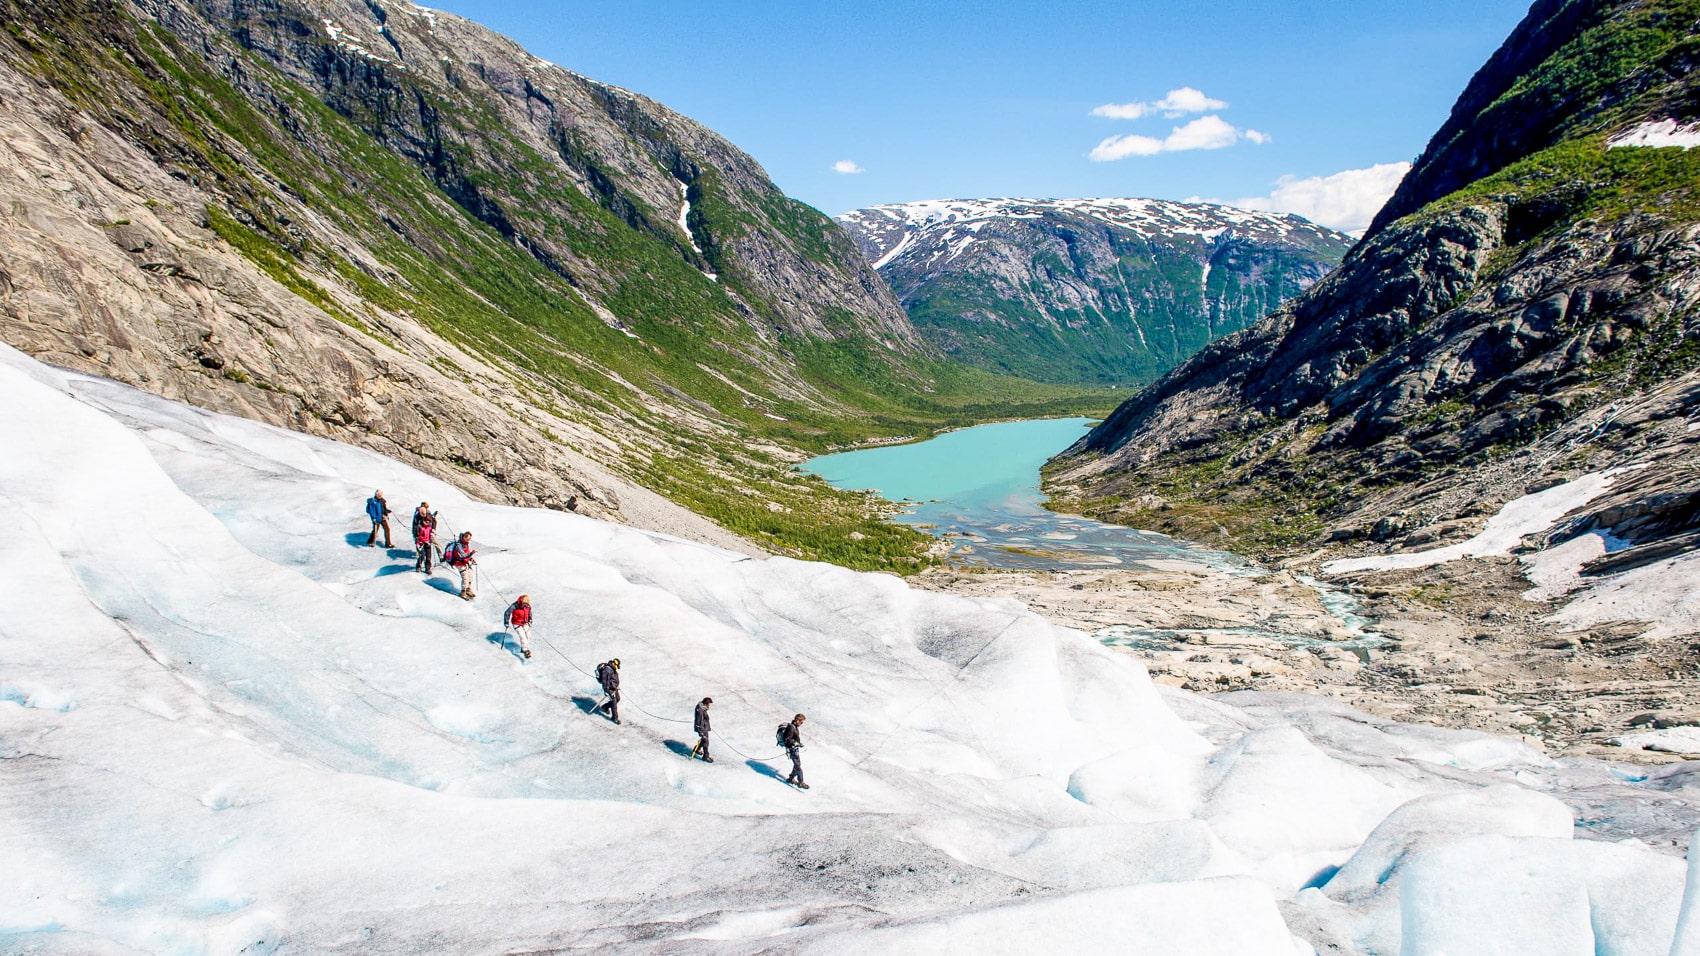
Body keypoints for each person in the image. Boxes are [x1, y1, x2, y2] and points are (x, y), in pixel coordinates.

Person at [443, 531, 477, 600]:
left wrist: (471, 559)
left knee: (470, 576)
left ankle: (468, 589)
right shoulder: (459, 545)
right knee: (465, 578)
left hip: (464, 563)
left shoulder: (465, 544)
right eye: (467, 539)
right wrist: (471, 553)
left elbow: (466, 553)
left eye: (469, 539)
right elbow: (463, 556)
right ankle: (463, 592)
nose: (468, 540)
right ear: (464, 537)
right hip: (459, 563)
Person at [780, 713, 808, 789]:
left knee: (797, 764)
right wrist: (796, 743)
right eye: (801, 722)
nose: (801, 724)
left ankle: (791, 778)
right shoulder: (791, 727)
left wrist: (798, 744)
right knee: (798, 765)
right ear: (797, 720)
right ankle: (801, 782)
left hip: (794, 749)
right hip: (791, 749)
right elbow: (787, 739)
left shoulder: (794, 727)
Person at [504, 594, 533, 660]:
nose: (526, 605)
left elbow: (529, 613)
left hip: (525, 623)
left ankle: (524, 646)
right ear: (521, 601)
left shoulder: (528, 606)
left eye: (527, 603)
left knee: (529, 636)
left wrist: (530, 620)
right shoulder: (514, 606)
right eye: (524, 603)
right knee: (523, 637)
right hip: (517, 624)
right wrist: (506, 622)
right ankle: (524, 650)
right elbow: (507, 613)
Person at [411, 503, 438, 573]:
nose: (428, 522)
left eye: (429, 522)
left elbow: (434, 521)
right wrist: (417, 541)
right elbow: (416, 534)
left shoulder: (429, 526)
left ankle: (428, 568)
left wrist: (433, 531)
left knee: (429, 556)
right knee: (421, 555)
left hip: (428, 542)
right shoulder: (419, 526)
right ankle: (418, 566)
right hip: (420, 543)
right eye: (426, 521)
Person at [594, 659, 621, 724]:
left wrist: (616, 686)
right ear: (614, 664)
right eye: (616, 666)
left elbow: (613, 679)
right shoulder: (607, 671)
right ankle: (615, 718)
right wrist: (607, 691)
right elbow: (605, 682)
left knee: (618, 699)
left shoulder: (612, 669)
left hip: (614, 688)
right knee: (613, 702)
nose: (616, 668)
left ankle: (605, 707)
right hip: (610, 689)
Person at [690, 697, 714, 762]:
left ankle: (697, 749)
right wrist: (701, 731)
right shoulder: (700, 710)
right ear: (705, 703)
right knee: (705, 741)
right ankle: (705, 756)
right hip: (701, 728)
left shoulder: (703, 709)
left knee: (704, 740)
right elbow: (699, 721)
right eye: (708, 704)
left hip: (704, 727)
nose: (709, 705)